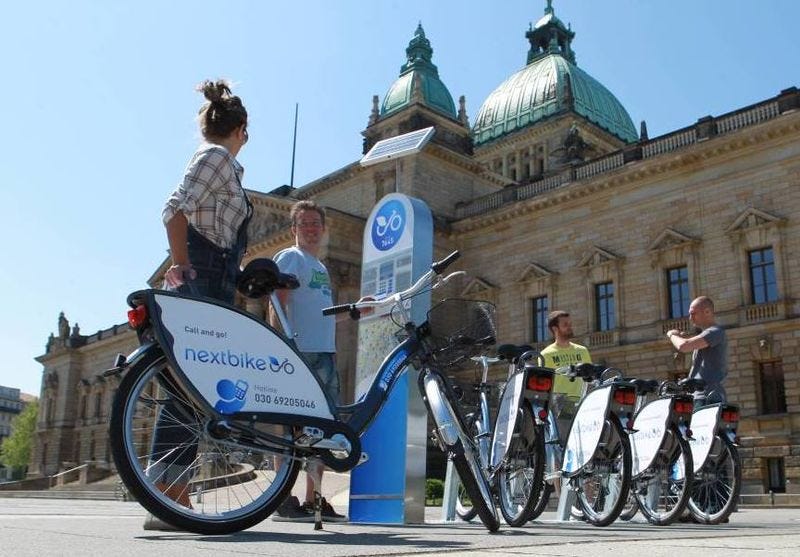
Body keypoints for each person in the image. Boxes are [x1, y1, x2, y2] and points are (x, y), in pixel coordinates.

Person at [145, 79, 251, 531]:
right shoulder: (217, 157)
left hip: (217, 282)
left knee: (193, 388)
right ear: (241, 129)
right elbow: (174, 209)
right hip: (203, 279)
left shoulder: (225, 166)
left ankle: (169, 490)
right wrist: (182, 264)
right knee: (189, 385)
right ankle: (166, 492)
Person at [271, 200, 347, 523]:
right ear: (294, 230)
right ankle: (280, 497)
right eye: (304, 224)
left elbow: (323, 317)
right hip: (299, 352)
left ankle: (313, 500)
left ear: (323, 228)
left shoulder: (321, 268)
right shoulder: (292, 257)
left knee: (322, 428)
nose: (311, 229)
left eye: (316, 223)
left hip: (324, 355)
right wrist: (279, 346)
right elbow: (276, 302)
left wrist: (358, 309)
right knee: (289, 424)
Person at [539, 311, 592, 446]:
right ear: (555, 329)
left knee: (587, 440)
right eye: (565, 325)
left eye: (570, 324)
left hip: (583, 401)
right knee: (568, 441)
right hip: (563, 401)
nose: (570, 327)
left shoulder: (582, 351)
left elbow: (590, 378)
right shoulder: (546, 354)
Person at [666, 296, 728, 406]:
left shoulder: (715, 332)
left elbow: (683, 346)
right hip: (703, 395)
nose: (690, 318)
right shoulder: (710, 333)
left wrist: (671, 334)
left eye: (693, 313)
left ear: (707, 312)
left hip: (706, 396)